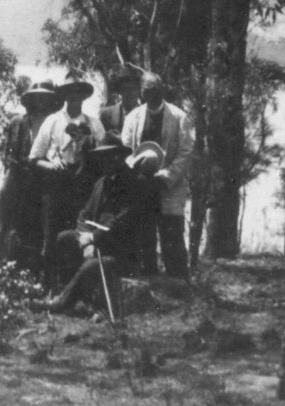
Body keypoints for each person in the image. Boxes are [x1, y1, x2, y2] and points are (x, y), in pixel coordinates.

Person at [46, 133, 155, 316]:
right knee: (64, 239)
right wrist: (84, 237)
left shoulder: (134, 183)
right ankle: (66, 293)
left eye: (112, 156)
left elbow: (122, 222)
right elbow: (83, 215)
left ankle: (60, 304)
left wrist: (94, 239)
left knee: (92, 266)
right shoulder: (100, 183)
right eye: (103, 157)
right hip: (94, 243)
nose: (107, 161)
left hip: (120, 253)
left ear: (120, 157)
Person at [28, 73, 103, 282]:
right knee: (52, 233)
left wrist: (88, 149)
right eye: (70, 93)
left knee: (78, 232)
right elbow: (34, 158)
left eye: (78, 93)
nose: (74, 97)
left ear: (84, 96)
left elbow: (105, 157)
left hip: (83, 184)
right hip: (56, 184)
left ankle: (76, 284)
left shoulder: (94, 124)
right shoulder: (52, 121)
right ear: (65, 96)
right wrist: (51, 165)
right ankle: (49, 284)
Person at [121, 73, 195, 280]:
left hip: (168, 185)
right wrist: (135, 172)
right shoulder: (132, 117)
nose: (151, 95)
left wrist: (166, 175)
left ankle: (179, 282)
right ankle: (150, 279)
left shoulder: (179, 117)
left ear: (162, 90)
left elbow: (186, 151)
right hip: (142, 184)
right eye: (146, 91)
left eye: (155, 91)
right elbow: (126, 150)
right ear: (141, 92)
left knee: (171, 233)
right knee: (144, 232)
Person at [0, 80, 58, 267]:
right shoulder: (19, 122)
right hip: (18, 177)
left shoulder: (55, 121)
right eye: (37, 97)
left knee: (37, 225)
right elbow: (11, 156)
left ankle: (34, 266)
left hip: (43, 178)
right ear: (31, 99)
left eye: (46, 97)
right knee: (6, 220)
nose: (41, 101)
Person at [99, 66, 141, 135]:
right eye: (126, 89)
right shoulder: (106, 115)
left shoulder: (146, 115)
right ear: (120, 91)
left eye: (133, 89)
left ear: (138, 91)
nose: (130, 93)